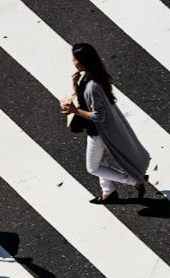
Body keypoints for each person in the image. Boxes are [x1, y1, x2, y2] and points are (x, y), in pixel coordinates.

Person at [60, 43, 151, 201]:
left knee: (93, 167)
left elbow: (98, 116)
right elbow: (83, 99)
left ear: (82, 61)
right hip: (95, 130)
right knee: (99, 161)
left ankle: (133, 181)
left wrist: (75, 111)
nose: (72, 61)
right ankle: (108, 192)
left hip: (98, 133)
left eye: (74, 59)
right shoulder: (88, 77)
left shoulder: (92, 86)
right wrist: (74, 87)